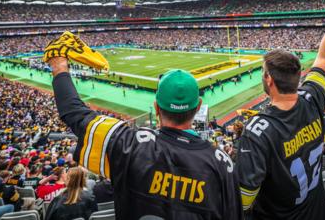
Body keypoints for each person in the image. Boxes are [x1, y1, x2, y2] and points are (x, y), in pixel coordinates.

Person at [45, 32, 242, 219]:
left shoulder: (129, 145)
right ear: (198, 106)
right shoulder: (222, 163)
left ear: (156, 107)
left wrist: (60, 67)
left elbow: (73, 112)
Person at [235, 3, 325, 219]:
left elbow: (244, 199)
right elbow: (324, 59)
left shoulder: (258, 131)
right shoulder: (312, 97)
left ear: (269, 79)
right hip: (319, 210)